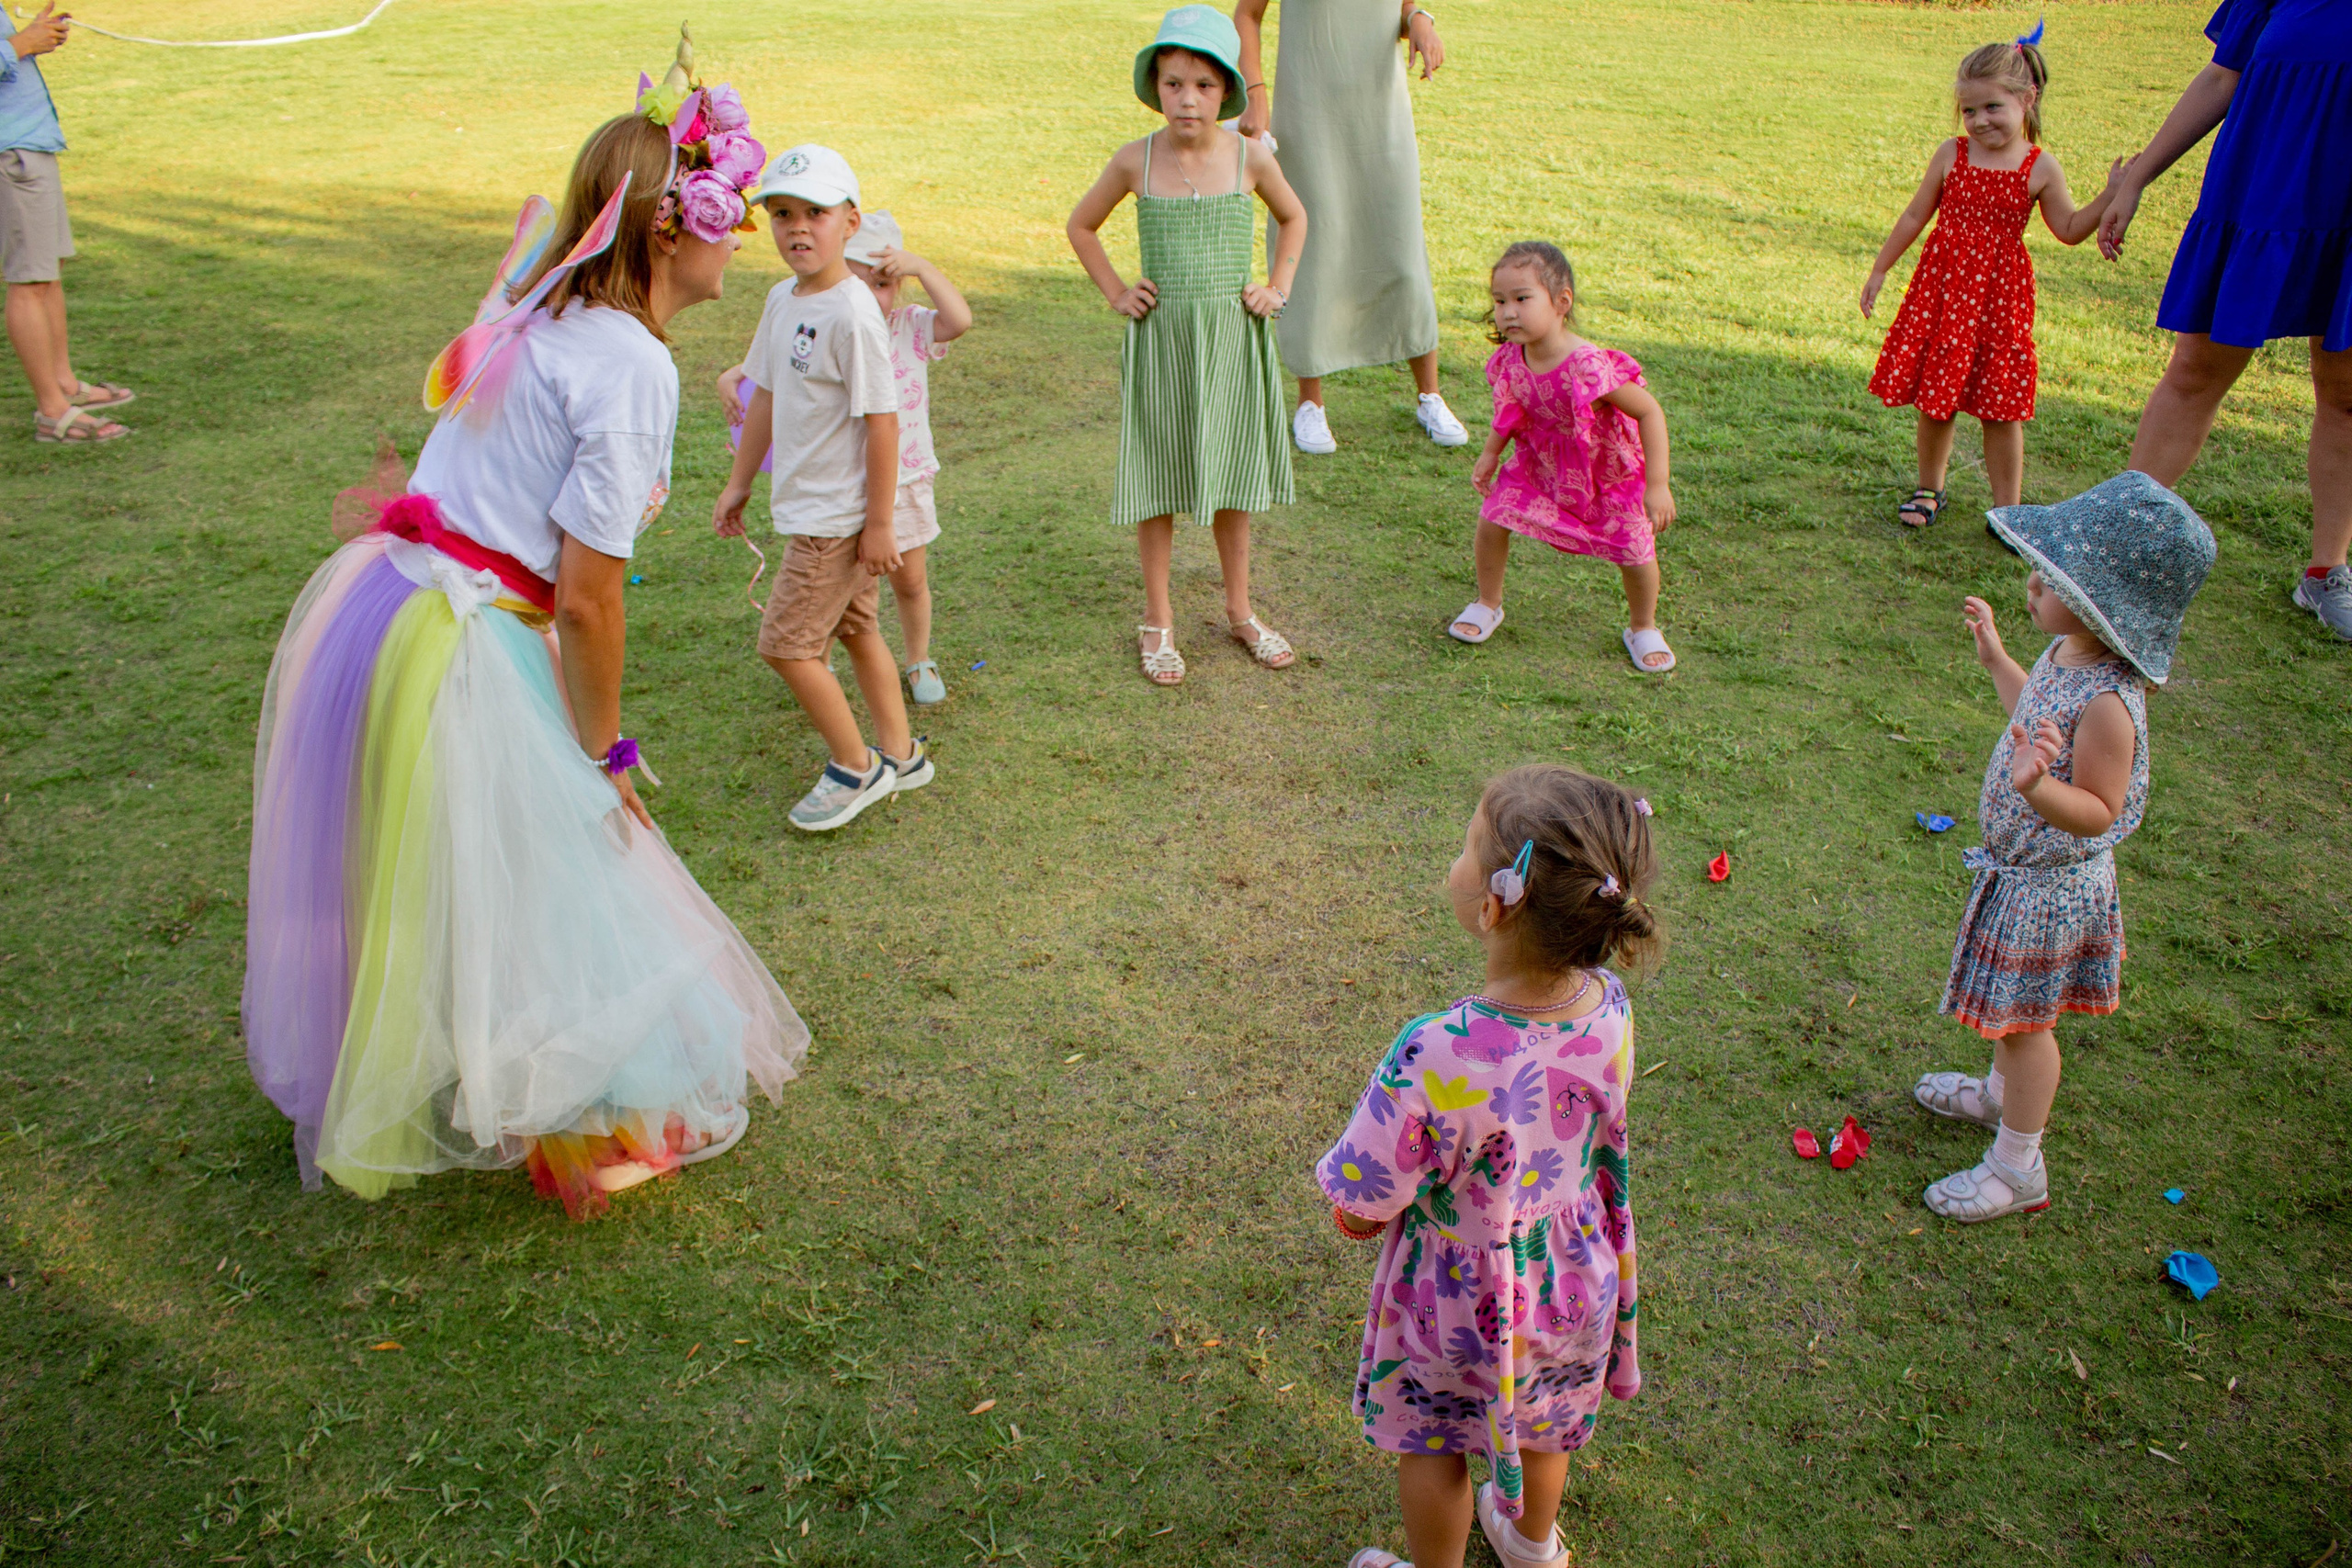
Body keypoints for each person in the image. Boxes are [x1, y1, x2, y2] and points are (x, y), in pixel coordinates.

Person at [243, 67, 807, 1222]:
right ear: (670, 230)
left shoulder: (545, 308)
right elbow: (591, 598)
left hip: (390, 606)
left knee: (455, 867)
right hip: (461, 638)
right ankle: (594, 1114)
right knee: (570, 858)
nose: (741, 245)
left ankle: (476, 1070)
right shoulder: (630, 362)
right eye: (732, 219)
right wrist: (599, 756)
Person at [1320, 765, 1652, 1568]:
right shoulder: (1609, 1006)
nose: (1459, 856)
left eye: (1470, 844)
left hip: (1455, 1301)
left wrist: (1357, 1216)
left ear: (1495, 903)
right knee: (1547, 1421)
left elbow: (1366, 1195)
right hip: (1571, 1280)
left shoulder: (1436, 1049)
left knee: (1433, 1444)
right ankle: (1533, 1547)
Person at [1913, 473, 2213, 1223]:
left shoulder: (2111, 703)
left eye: (2051, 577)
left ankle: (2019, 1165)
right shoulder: (2062, 654)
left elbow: (2098, 808)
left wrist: (2038, 788)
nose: (2032, 582)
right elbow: (2034, 714)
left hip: (2052, 891)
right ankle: (1996, 1094)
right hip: (2021, 878)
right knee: (2010, 1017)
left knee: (2026, 1024)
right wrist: (1996, 660)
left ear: (2099, 608)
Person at [2095, 0, 2352, 638]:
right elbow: (2221, 77)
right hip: (2265, 193)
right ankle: (2112, 547)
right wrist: (2138, 178)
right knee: (2196, 370)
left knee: (2347, 394)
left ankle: (2327, 573)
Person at [1067, 6, 1307, 686]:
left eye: (1202, 85)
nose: (1187, 98)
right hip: (1165, 343)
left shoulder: (1250, 157)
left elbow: (1295, 216)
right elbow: (1081, 226)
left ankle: (1239, 610)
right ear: (1156, 87)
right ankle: (1159, 618)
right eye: (1173, 83)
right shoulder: (1135, 159)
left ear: (1226, 89)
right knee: (1158, 480)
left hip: (1232, 342)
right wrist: (1117, 291)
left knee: (1230, 478)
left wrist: (1277, 289)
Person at [715, 144, 933, 829]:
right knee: (857, 625)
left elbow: (882, 423)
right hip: (809, 508)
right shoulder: (784, 299)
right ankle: (901, 753)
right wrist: (738, 482)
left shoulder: (853, 313)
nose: (798, 228)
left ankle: (856, 767)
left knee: (786, 644)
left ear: (850, 221)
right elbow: (767, 397)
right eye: (782, 214)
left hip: (836, 519)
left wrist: (878, 523)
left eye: (815, 212)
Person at [1861, 28, 2124, 528]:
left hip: (1999, 300)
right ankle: (1929, 488)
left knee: (2001, 405)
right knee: (1938, 398)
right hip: (1943, 292)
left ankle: (2010, 511)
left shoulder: (2039, 166)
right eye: (1969, 111)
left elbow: (2068, 229)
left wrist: (2111, 195)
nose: (1979, 121)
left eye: (1992, 108)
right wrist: (1880, 268)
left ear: (2027, 99)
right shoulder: (1951, 155)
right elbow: (1915, 216)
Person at [720, 209, 971, 705]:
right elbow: (784, 362)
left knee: (910, 579)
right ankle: (821, 655)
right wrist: (732, 375)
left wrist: (921, 266)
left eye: (884, 284)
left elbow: (959, 320)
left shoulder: (908, 327)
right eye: (863, 281)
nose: (873, 295)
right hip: (840, 486)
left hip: (902, 482)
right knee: (838, 585)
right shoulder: (833, 315)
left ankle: (919, 658)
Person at [1233, 0, 1468, 456]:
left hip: (1381, 112)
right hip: (1307, 111)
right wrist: (1256, 91)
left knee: (1400, 246)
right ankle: (1310, 402)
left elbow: (1400, 9)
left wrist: (1420, 21)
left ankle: (1430, 395)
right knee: (1313, 246)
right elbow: (1247, 14)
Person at [1448, 243, 1679, 674]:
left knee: (1634, 549)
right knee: (1493, 516)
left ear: (1561, 302)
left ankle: (1643, 627)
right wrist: (1489, 454)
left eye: (1521, 298)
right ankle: (1487, 602)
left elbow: (1648, 411)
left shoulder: (1586, 364)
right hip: (1540, 463)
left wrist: (1658, 483)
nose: (1508, 312)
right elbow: (1511, 409)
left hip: (1603, 473)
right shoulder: (1511, 358)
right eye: (1499, 301)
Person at [3, 1, 130, 444]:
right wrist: (21, 44)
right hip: (9, 150)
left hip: (29, 140)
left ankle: (64, 384)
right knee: (30, 279)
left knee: (48, 271)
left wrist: (29, 38)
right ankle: (51, 412)